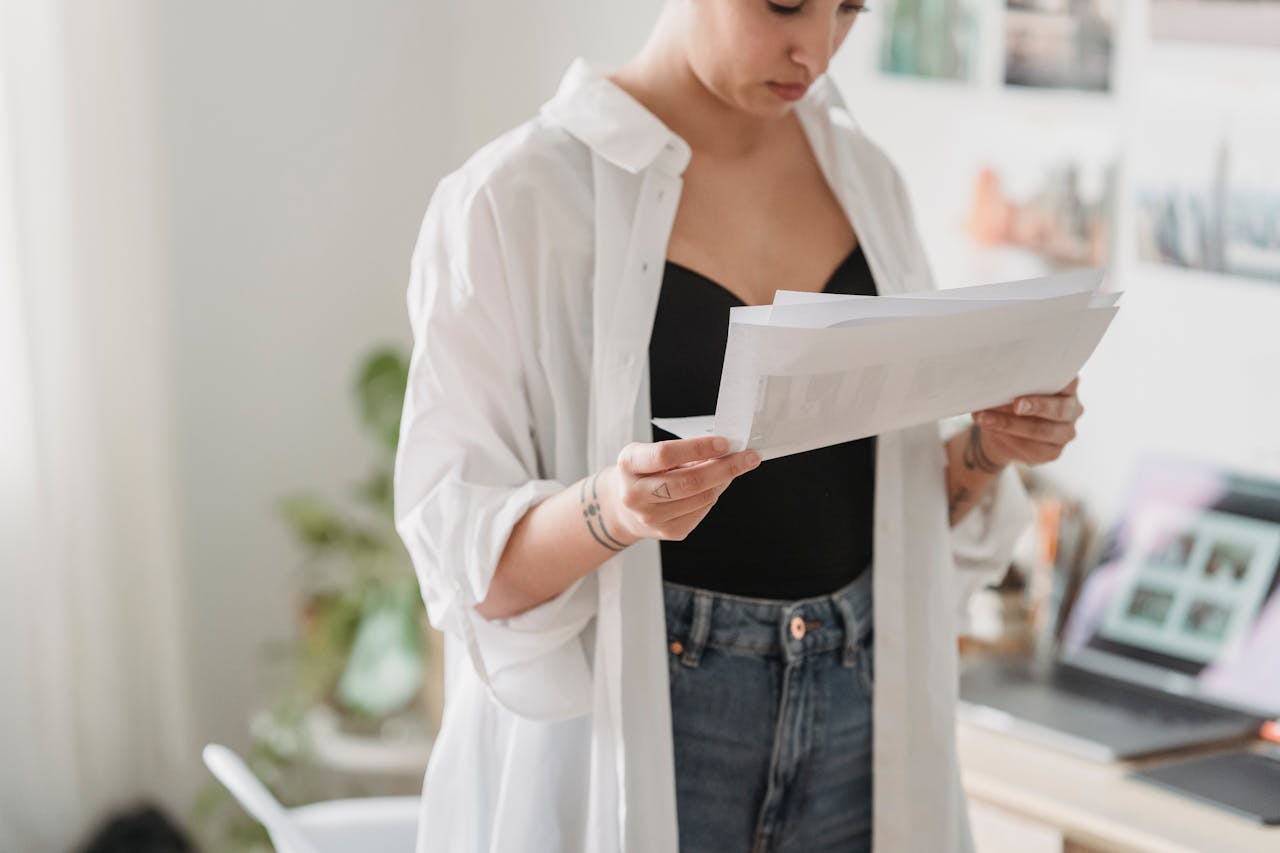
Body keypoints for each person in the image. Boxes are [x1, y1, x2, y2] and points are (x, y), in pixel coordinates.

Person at [393, 2, 1085, 851]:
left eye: (851, 10)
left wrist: (987, 451)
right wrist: (611, 511)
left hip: (861, 711)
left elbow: (896, 517)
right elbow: (468, 573)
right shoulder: (515, 200)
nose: (819, 50)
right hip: (654, 722)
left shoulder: (866, 179)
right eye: (787, 3)